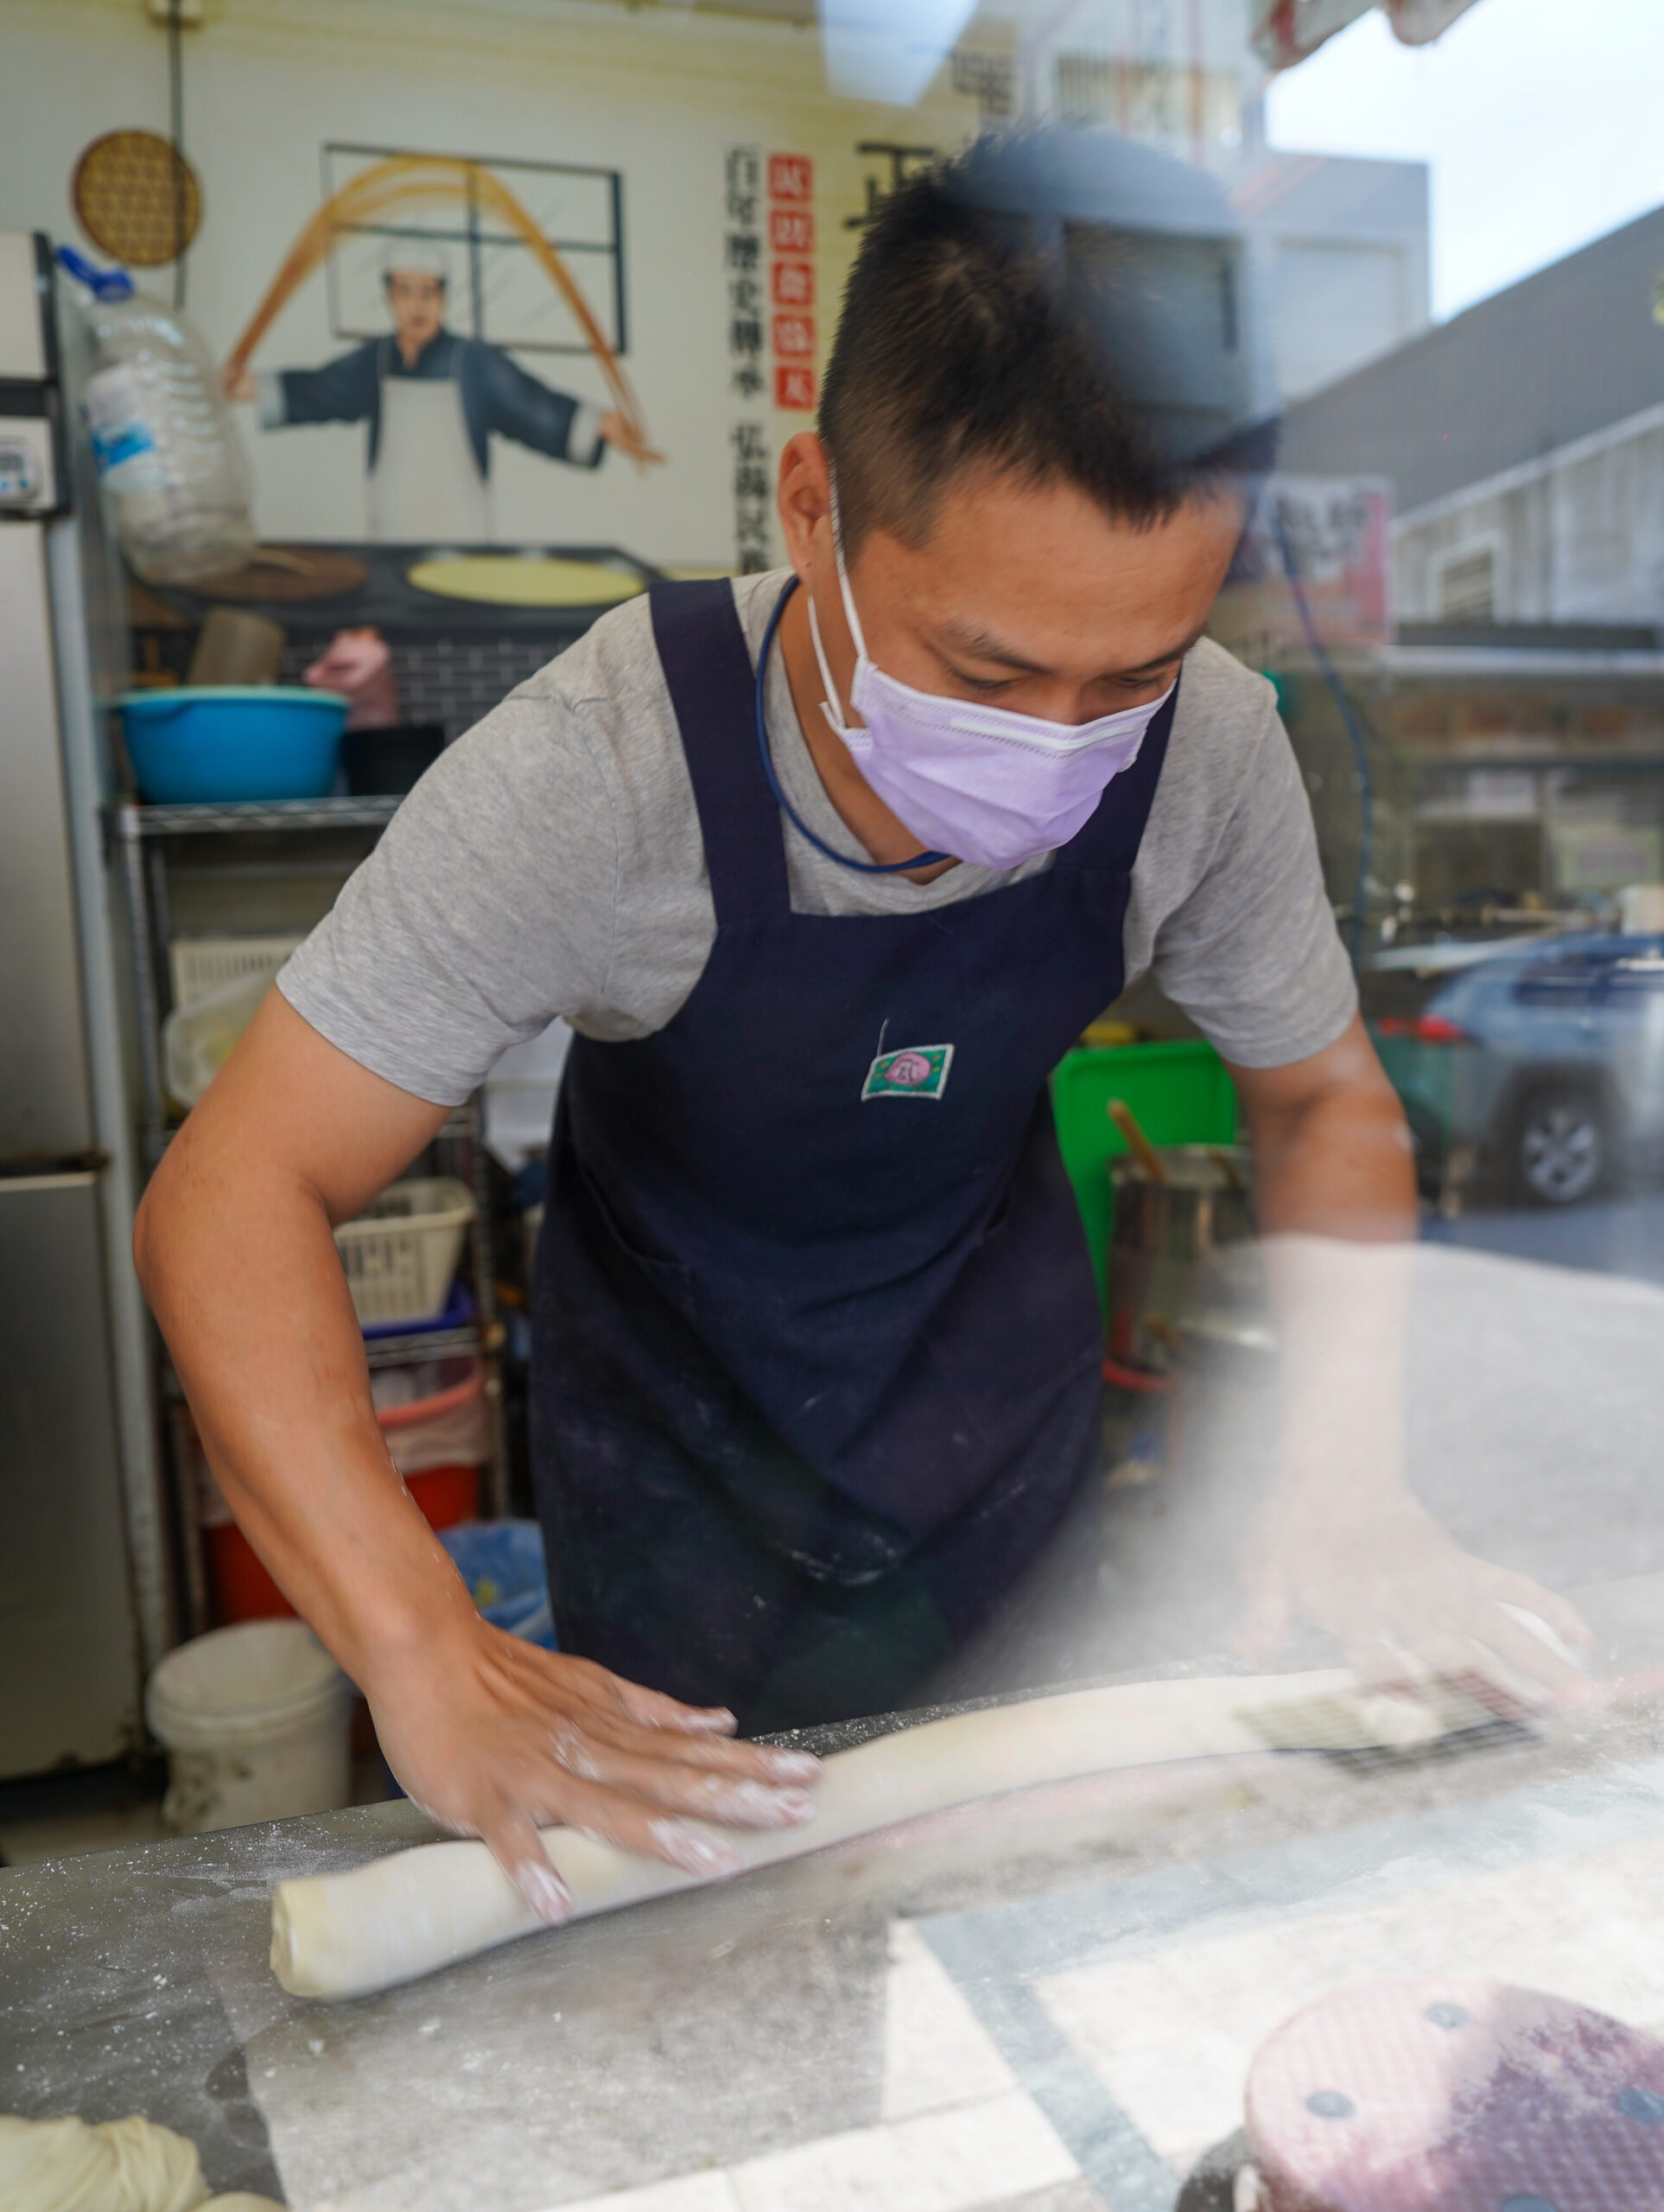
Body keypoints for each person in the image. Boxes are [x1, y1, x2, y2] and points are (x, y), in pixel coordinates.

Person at [141, 140, 1585, 1926]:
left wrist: (1352, 1478)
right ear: (816, 506)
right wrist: (419, 1639)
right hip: (676, 1466)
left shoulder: (1209, 750)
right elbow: (235, 1186)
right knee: (709, 1960)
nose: (1061, 743)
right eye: (984, 675)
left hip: (1000, 1436)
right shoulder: (604, 765)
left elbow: (1323, 1100)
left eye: (1130, 673)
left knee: (1046, 1921)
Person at [224, 243, 632, 542]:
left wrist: (597, 425)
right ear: (388, 296)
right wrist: (252, 386)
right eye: (404, 292)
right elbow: (320, 390)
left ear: (442, 297)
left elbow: (530, 405)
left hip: (463, 531)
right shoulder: (377, 360)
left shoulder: (473, 361)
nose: (416, 306)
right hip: (390, 528)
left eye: (427, 293)